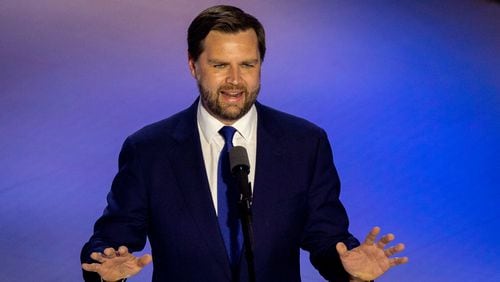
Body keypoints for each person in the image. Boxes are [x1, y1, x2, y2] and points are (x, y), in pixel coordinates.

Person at [81, 5, 408, 282]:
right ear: (194, 65)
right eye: (220, 65)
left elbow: (326, 237)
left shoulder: (305, 143)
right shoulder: (149, 149)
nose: (235, 80)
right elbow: (111, 240)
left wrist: (349, 267)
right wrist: (107, 269)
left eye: (248, 65)